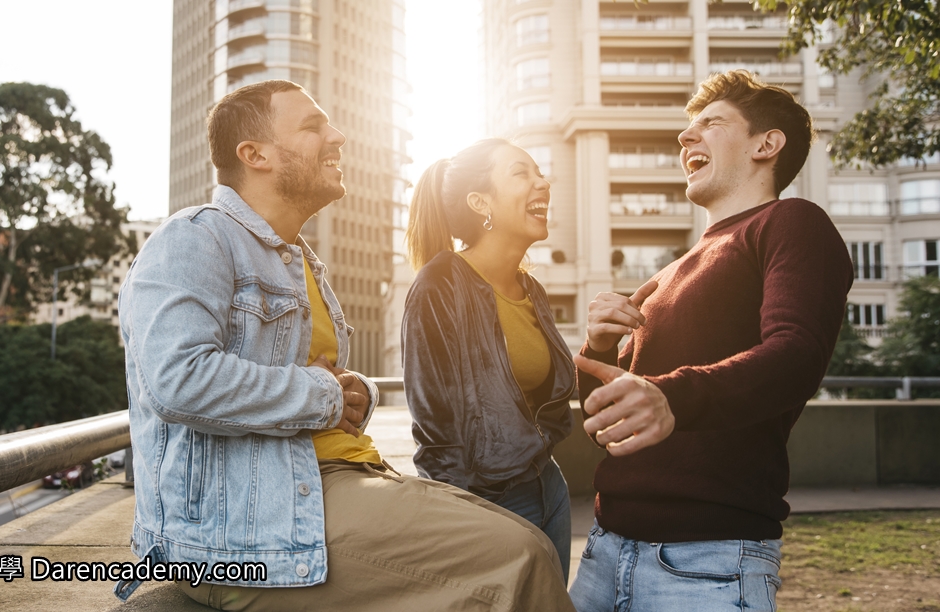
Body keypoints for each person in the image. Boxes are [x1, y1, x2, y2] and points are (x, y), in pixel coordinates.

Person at [113, 80, 575, 612]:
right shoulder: (193, 238)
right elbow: (177, 382)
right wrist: (324, 394)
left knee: (516, 543)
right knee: (521, 557)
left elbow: (314, 389)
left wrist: (351, 392)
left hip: (332, 481)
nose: (338, 135)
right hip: (249, 529)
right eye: (313, 126)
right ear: (254, 154)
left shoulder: (302, 263)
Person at [568, 70, 854, 611]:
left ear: (766, 145)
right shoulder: (669, 273)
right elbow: (611, 427)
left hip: (709, 563)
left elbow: (797, 354)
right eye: (688, 128)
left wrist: (671, 396)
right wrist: (599, 350)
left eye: (711, 124)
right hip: (604, 550)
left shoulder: (791, 222)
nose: (685, 138)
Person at [401, 139, 576, 581]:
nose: (543, 182)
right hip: (487, 501)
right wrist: (459, 526)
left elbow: (546, 396)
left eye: (541, 173)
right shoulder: (440, 285)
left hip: (548, 487)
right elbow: (435, 430)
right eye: (522, 173)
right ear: (481, 202)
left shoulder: (531, 290)